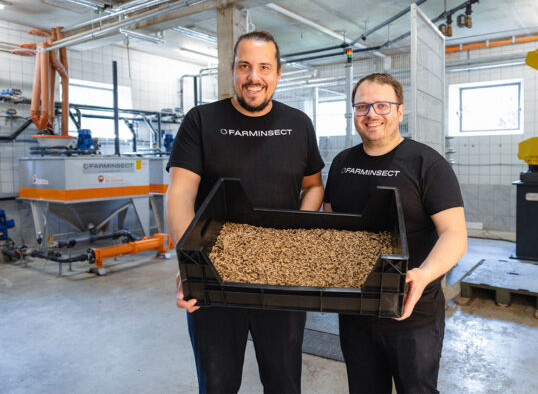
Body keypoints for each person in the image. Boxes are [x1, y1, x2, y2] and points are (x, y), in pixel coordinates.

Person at [165, 30, 324, 394]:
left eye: (264, 67)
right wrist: (189, 262)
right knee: (217, 384)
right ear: (233, 71)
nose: (254, 77)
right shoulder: (201, 121)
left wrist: (299, 232)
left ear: (278, 73)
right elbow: (180, 194)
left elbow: (314, 186)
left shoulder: (299, 124)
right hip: (215, 275)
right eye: (245, 66)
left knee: (284, 381)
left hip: (282, 276)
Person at [323, 73, 467, 394]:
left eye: (382, 105)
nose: (371, 114)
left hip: (412, 315)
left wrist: (424, 273)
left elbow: (455, 234)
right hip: (355, 313)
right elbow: (330, 225)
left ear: (400, 112)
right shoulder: (342, 163)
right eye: (362, 106)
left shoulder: (427, 164)